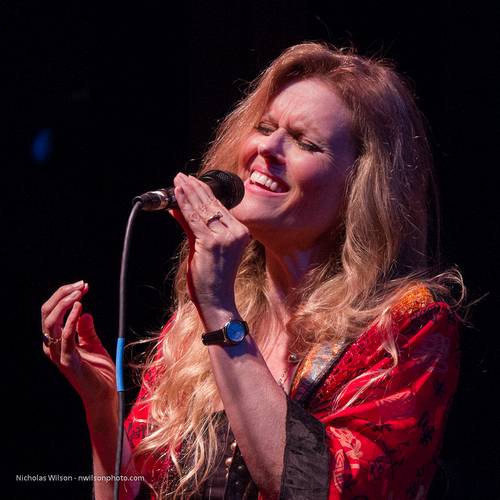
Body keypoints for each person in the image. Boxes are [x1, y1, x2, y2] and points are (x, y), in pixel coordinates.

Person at [41, 42, 466, 499]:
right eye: (265, 127)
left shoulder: (408, 327)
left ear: (360, 187)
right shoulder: (192, 328)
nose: (267, 148)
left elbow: (321, 489)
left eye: (305, 142)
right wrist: (103, 409)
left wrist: (220, 311)